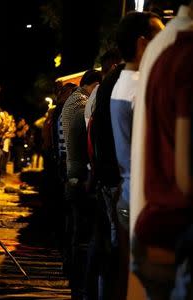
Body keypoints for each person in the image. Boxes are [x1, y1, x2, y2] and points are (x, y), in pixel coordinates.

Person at [132, 30, 193, 300]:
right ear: (139, 43)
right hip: (176, 232)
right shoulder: (185, 61)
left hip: (153, 220)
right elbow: (185, 176)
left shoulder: (164, 58)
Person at [109, 12, 163, 300]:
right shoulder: (143, 88)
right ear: (144, 44)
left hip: (130, 196)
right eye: (161, 37)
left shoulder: (123, 83)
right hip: (146, 201)